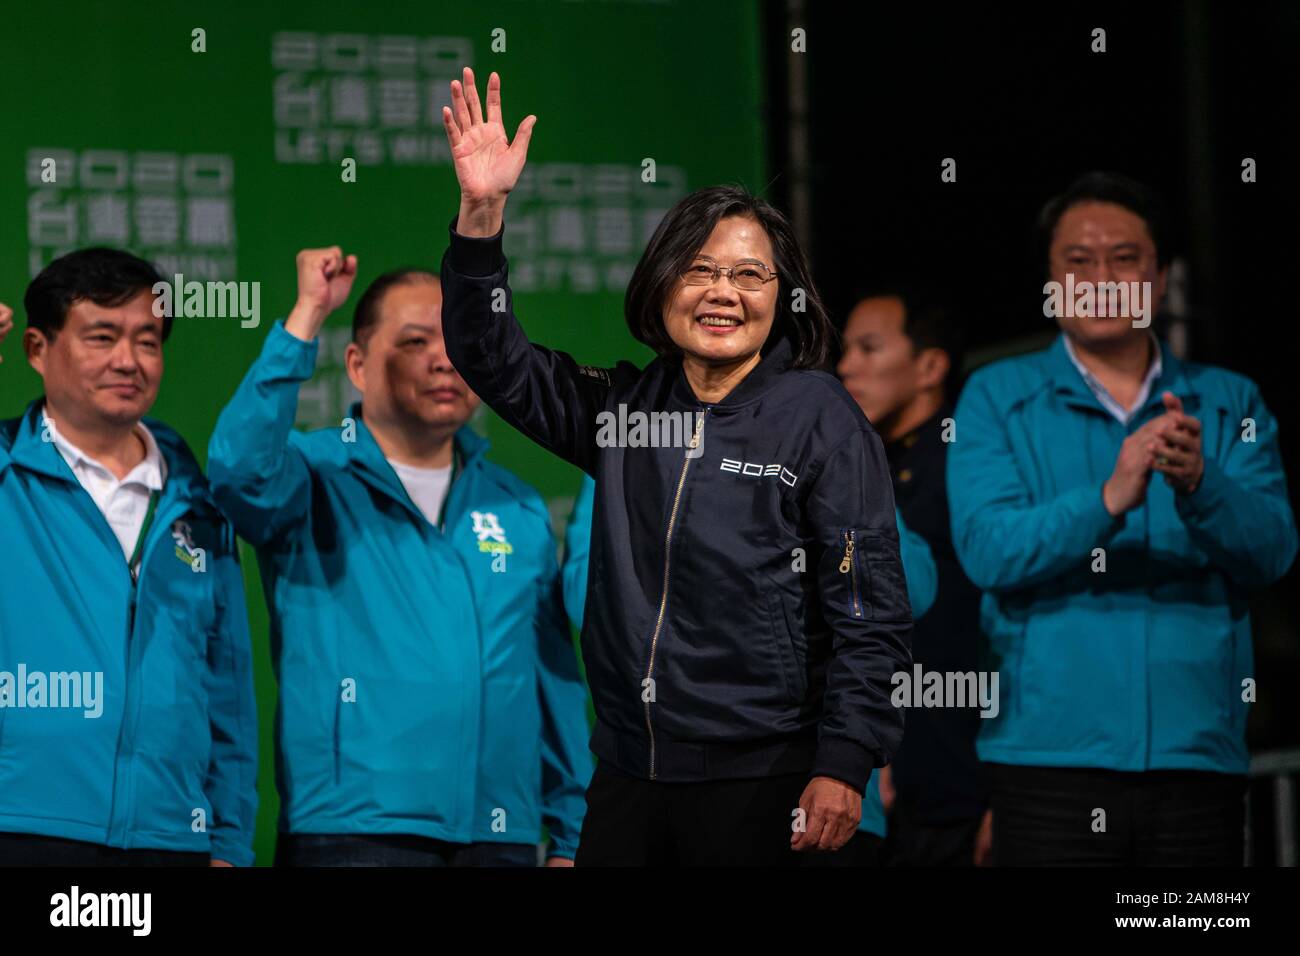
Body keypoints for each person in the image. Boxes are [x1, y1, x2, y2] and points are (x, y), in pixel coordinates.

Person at [439, 68, 913, 866]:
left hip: (770, 778)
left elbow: (870, 614)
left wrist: (844, 763)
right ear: (660, 286)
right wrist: (482, 215)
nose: (723, 292)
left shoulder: (820, 418)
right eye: (699, 270)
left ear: (783, 294)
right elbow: (491, 357)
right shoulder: (623, 412)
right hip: (630, 775)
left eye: (750, 274)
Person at [947, 171, 1298, 865]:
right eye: (1077, 260)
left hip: (1195, 759)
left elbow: (1273, 552)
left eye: (1125, 257)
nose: (1100, 276)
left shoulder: (1230, 401)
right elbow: (988, 550)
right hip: (1047, 758)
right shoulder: (995, 396)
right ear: (1050, 280)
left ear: (1160, 277)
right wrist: (1107, 499)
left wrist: (1202, 482)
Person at [207, 252, 592, 867]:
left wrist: (572, 835)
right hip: (353, 831)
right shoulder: (312, 474)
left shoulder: (515, 506)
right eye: (415, 342)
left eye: (460, 340)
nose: (445, 359)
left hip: (501, 836)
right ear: (357, 364)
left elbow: (553, 679)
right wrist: (307, 317)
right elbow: (237, 472)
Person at [0, 252, 257, 866]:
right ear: (37, 349)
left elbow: (228, 691)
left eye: (147, 340)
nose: (128, 360)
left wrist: (227, 843)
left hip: (170, 837)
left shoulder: (198, 499)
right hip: (23, 827)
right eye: (102, 337)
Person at [561, 475, 935, 866]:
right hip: (650, 782)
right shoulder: (637, 442)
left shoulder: (829, 441)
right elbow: (588, 599)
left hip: (810, 789)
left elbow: (908, 592)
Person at [838, 289, 991, 866]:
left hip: (965, 786)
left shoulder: (976, 468)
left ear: (931, 366)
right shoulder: (851, 463)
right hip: (876, 791)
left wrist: (1008, 796)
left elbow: (1012, 632)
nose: (847, 364)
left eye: (870, 348)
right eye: (847, 348)